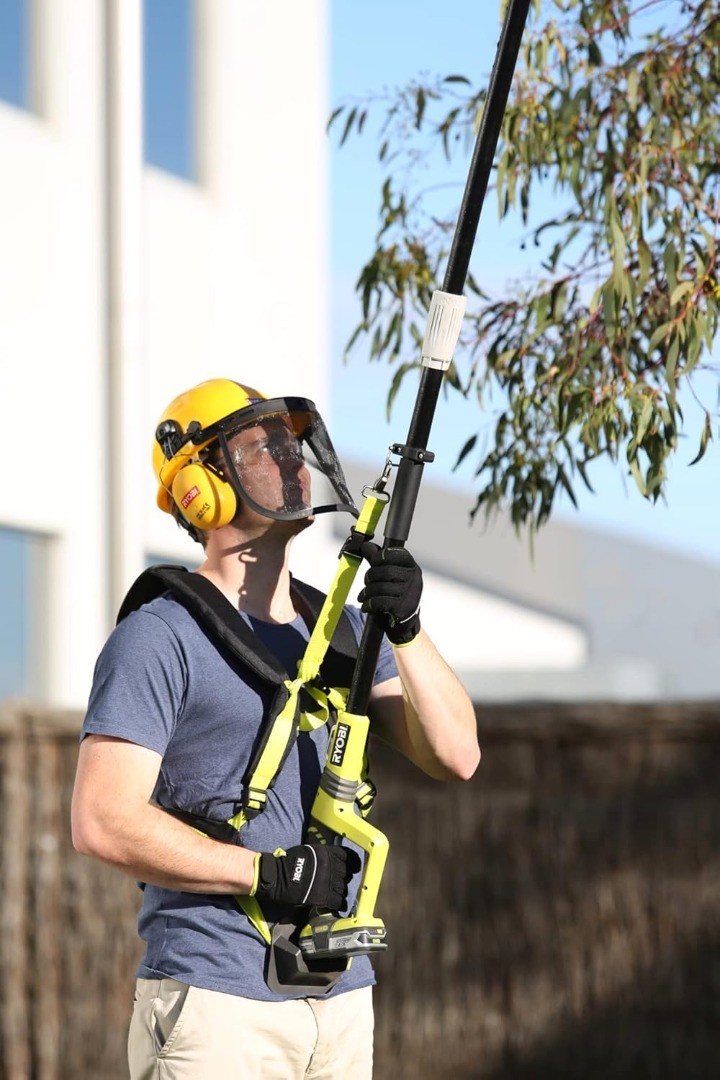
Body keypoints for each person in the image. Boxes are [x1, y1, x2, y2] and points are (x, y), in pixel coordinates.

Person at [71, 377, 480, 1080]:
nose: (293, 462)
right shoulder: (160, 637)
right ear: (203, 486)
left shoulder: (346, 631)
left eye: (293, 445)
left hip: (342, 1001)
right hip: (216, 1004)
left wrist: (407, 629)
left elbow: (456, 754)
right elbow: (101, 821)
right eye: (262, 447)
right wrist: (263, 871)